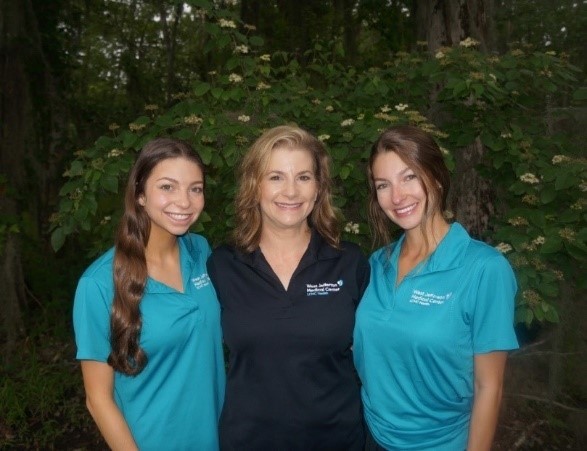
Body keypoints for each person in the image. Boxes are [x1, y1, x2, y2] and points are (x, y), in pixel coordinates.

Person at [353, 125, 519, 451]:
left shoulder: (484, 269)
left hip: (440, 443)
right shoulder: (376, 264)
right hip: (369, 436)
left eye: (409, 177)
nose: (397, 196)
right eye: (383, 185)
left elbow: (489, 386)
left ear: (437, 177)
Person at [207, 125, 370, 450]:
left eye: (304, 177)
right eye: (276, 177)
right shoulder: (222, 266)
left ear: (319, 188)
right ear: (255, 186)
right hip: (248, 441)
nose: (291, 192)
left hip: (338, 440)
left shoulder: (349, 262)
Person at [73, 138, 225, 450]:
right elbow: (98, 400)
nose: (184, 201)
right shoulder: (100, 283)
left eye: (195, 188)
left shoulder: (201, 253)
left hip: (220, 438)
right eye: (167, 187)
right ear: (140, 194)